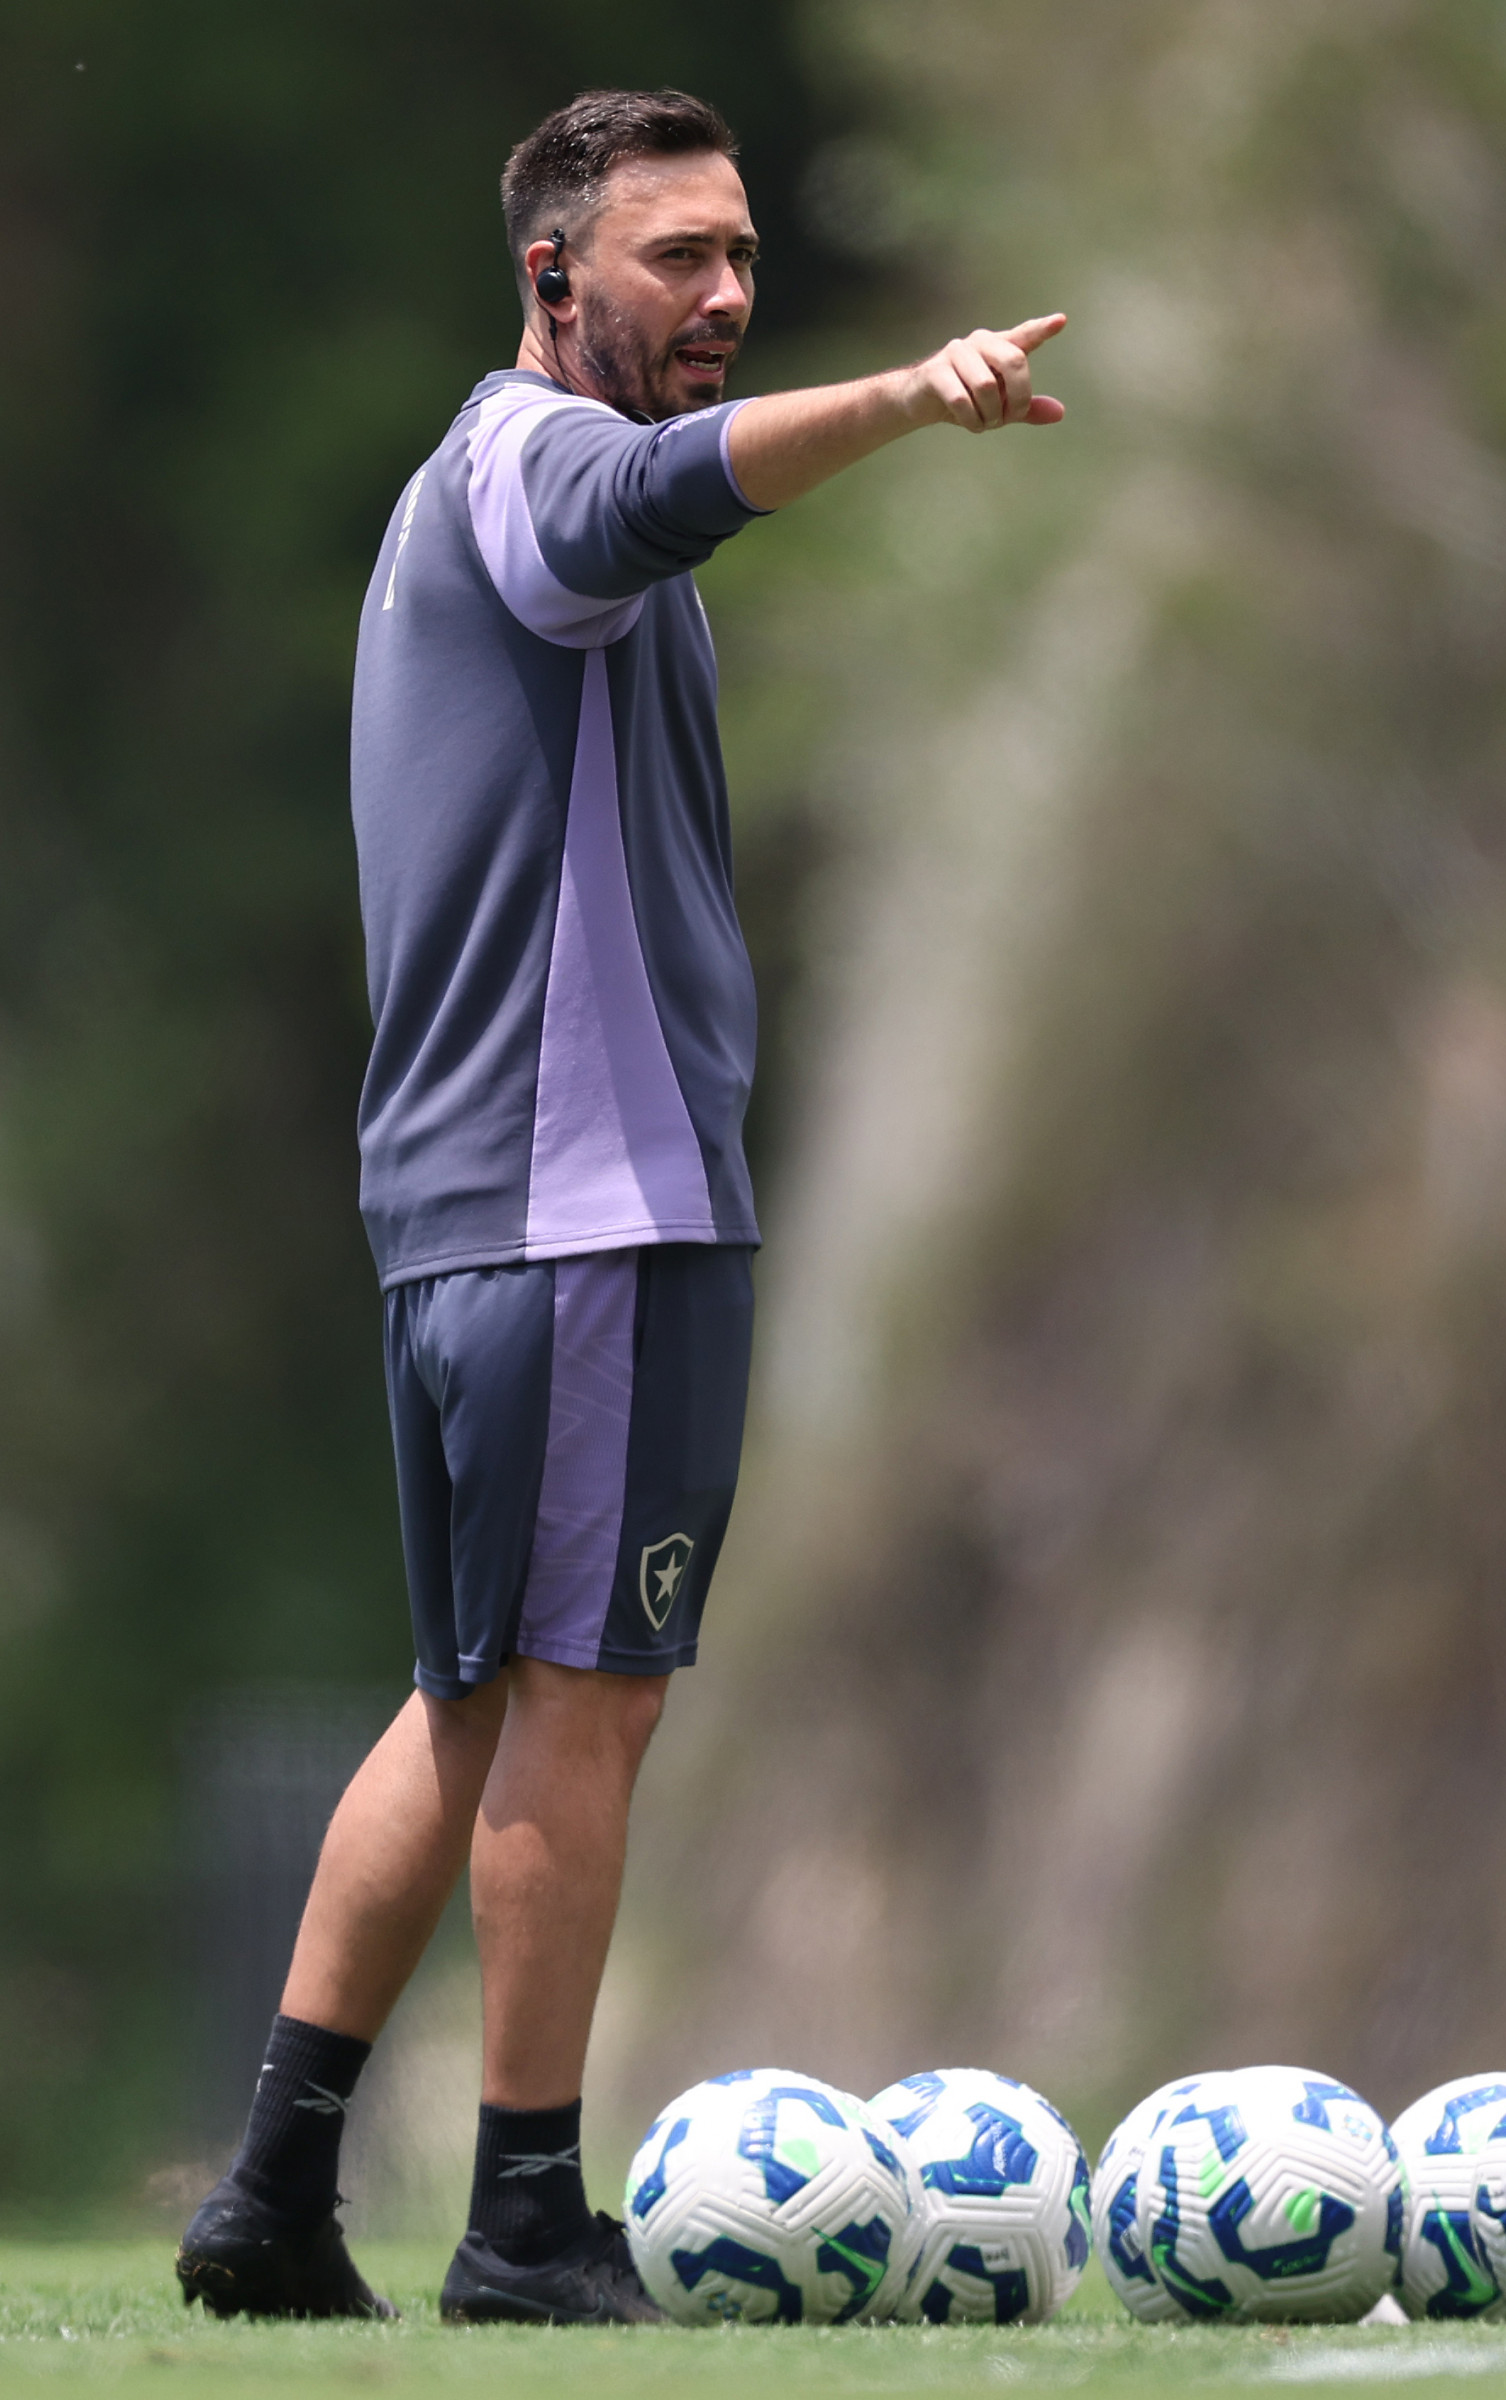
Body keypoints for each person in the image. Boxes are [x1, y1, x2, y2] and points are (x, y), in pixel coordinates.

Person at [174, 86, 1064, 2329]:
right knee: (588, 1709)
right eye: (680, 257)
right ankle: (524, 2222)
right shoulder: (543, 469)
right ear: (555, 280)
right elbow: (668, 485)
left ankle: (273, 2192)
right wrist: (908, 390)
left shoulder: (448, 489)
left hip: (475, 1217)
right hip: (593, 1216)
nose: (731, 293)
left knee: (470, 1701)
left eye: (744, 251)